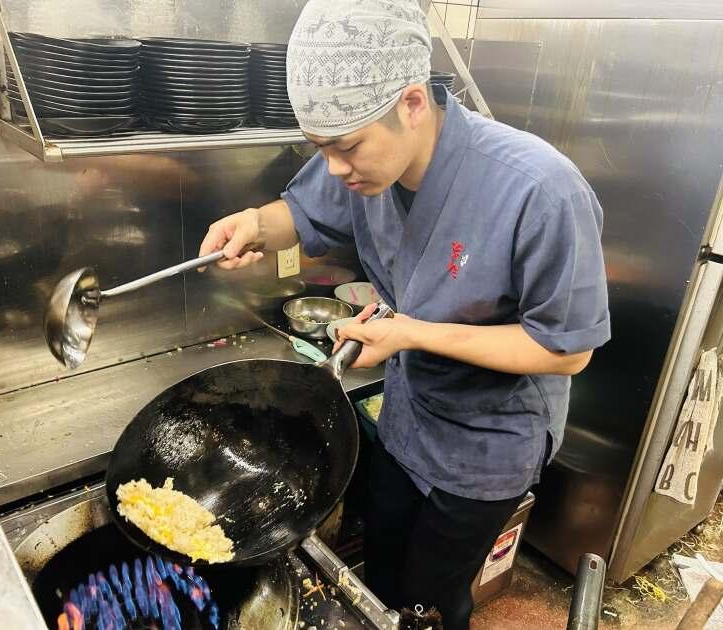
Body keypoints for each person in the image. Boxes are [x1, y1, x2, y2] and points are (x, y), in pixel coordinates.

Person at [198, 0, 610, 627]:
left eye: (346, 147)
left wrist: (410, 333)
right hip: (410, 414)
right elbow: (303, 215)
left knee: (431, 602)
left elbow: (566, 348)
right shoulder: (364, 161)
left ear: (412, 103)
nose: (334, 168)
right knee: (383, 570)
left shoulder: (538, 190)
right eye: (319, 148)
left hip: (488, 441)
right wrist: (253, 224)